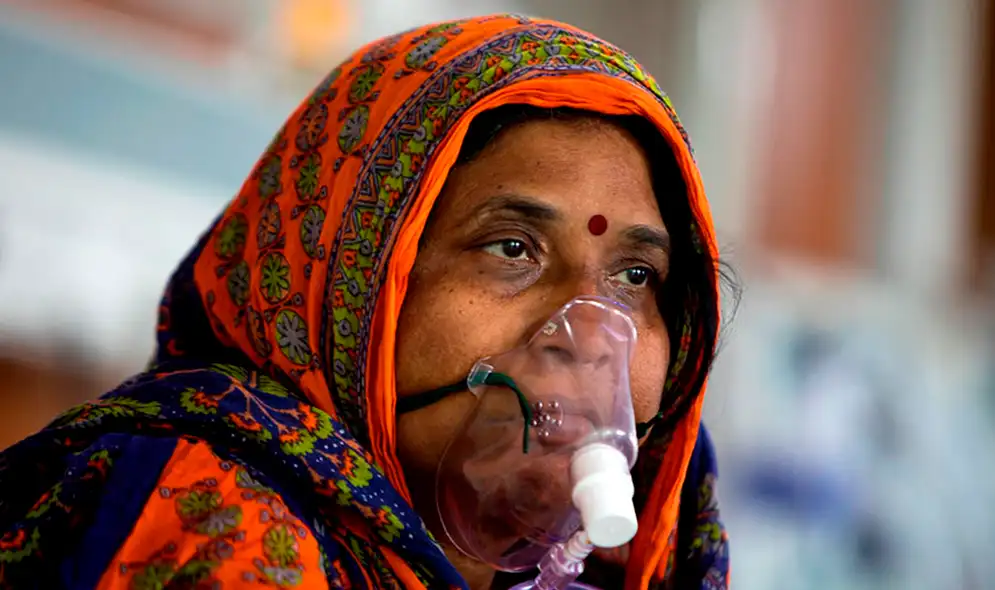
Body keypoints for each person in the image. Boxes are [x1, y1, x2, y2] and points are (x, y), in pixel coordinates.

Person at [0, 15, 731, 590]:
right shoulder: (210, 518)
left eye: (636, 277)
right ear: (349, 290)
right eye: (512, 248)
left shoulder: (640, 568)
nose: (589, 335)